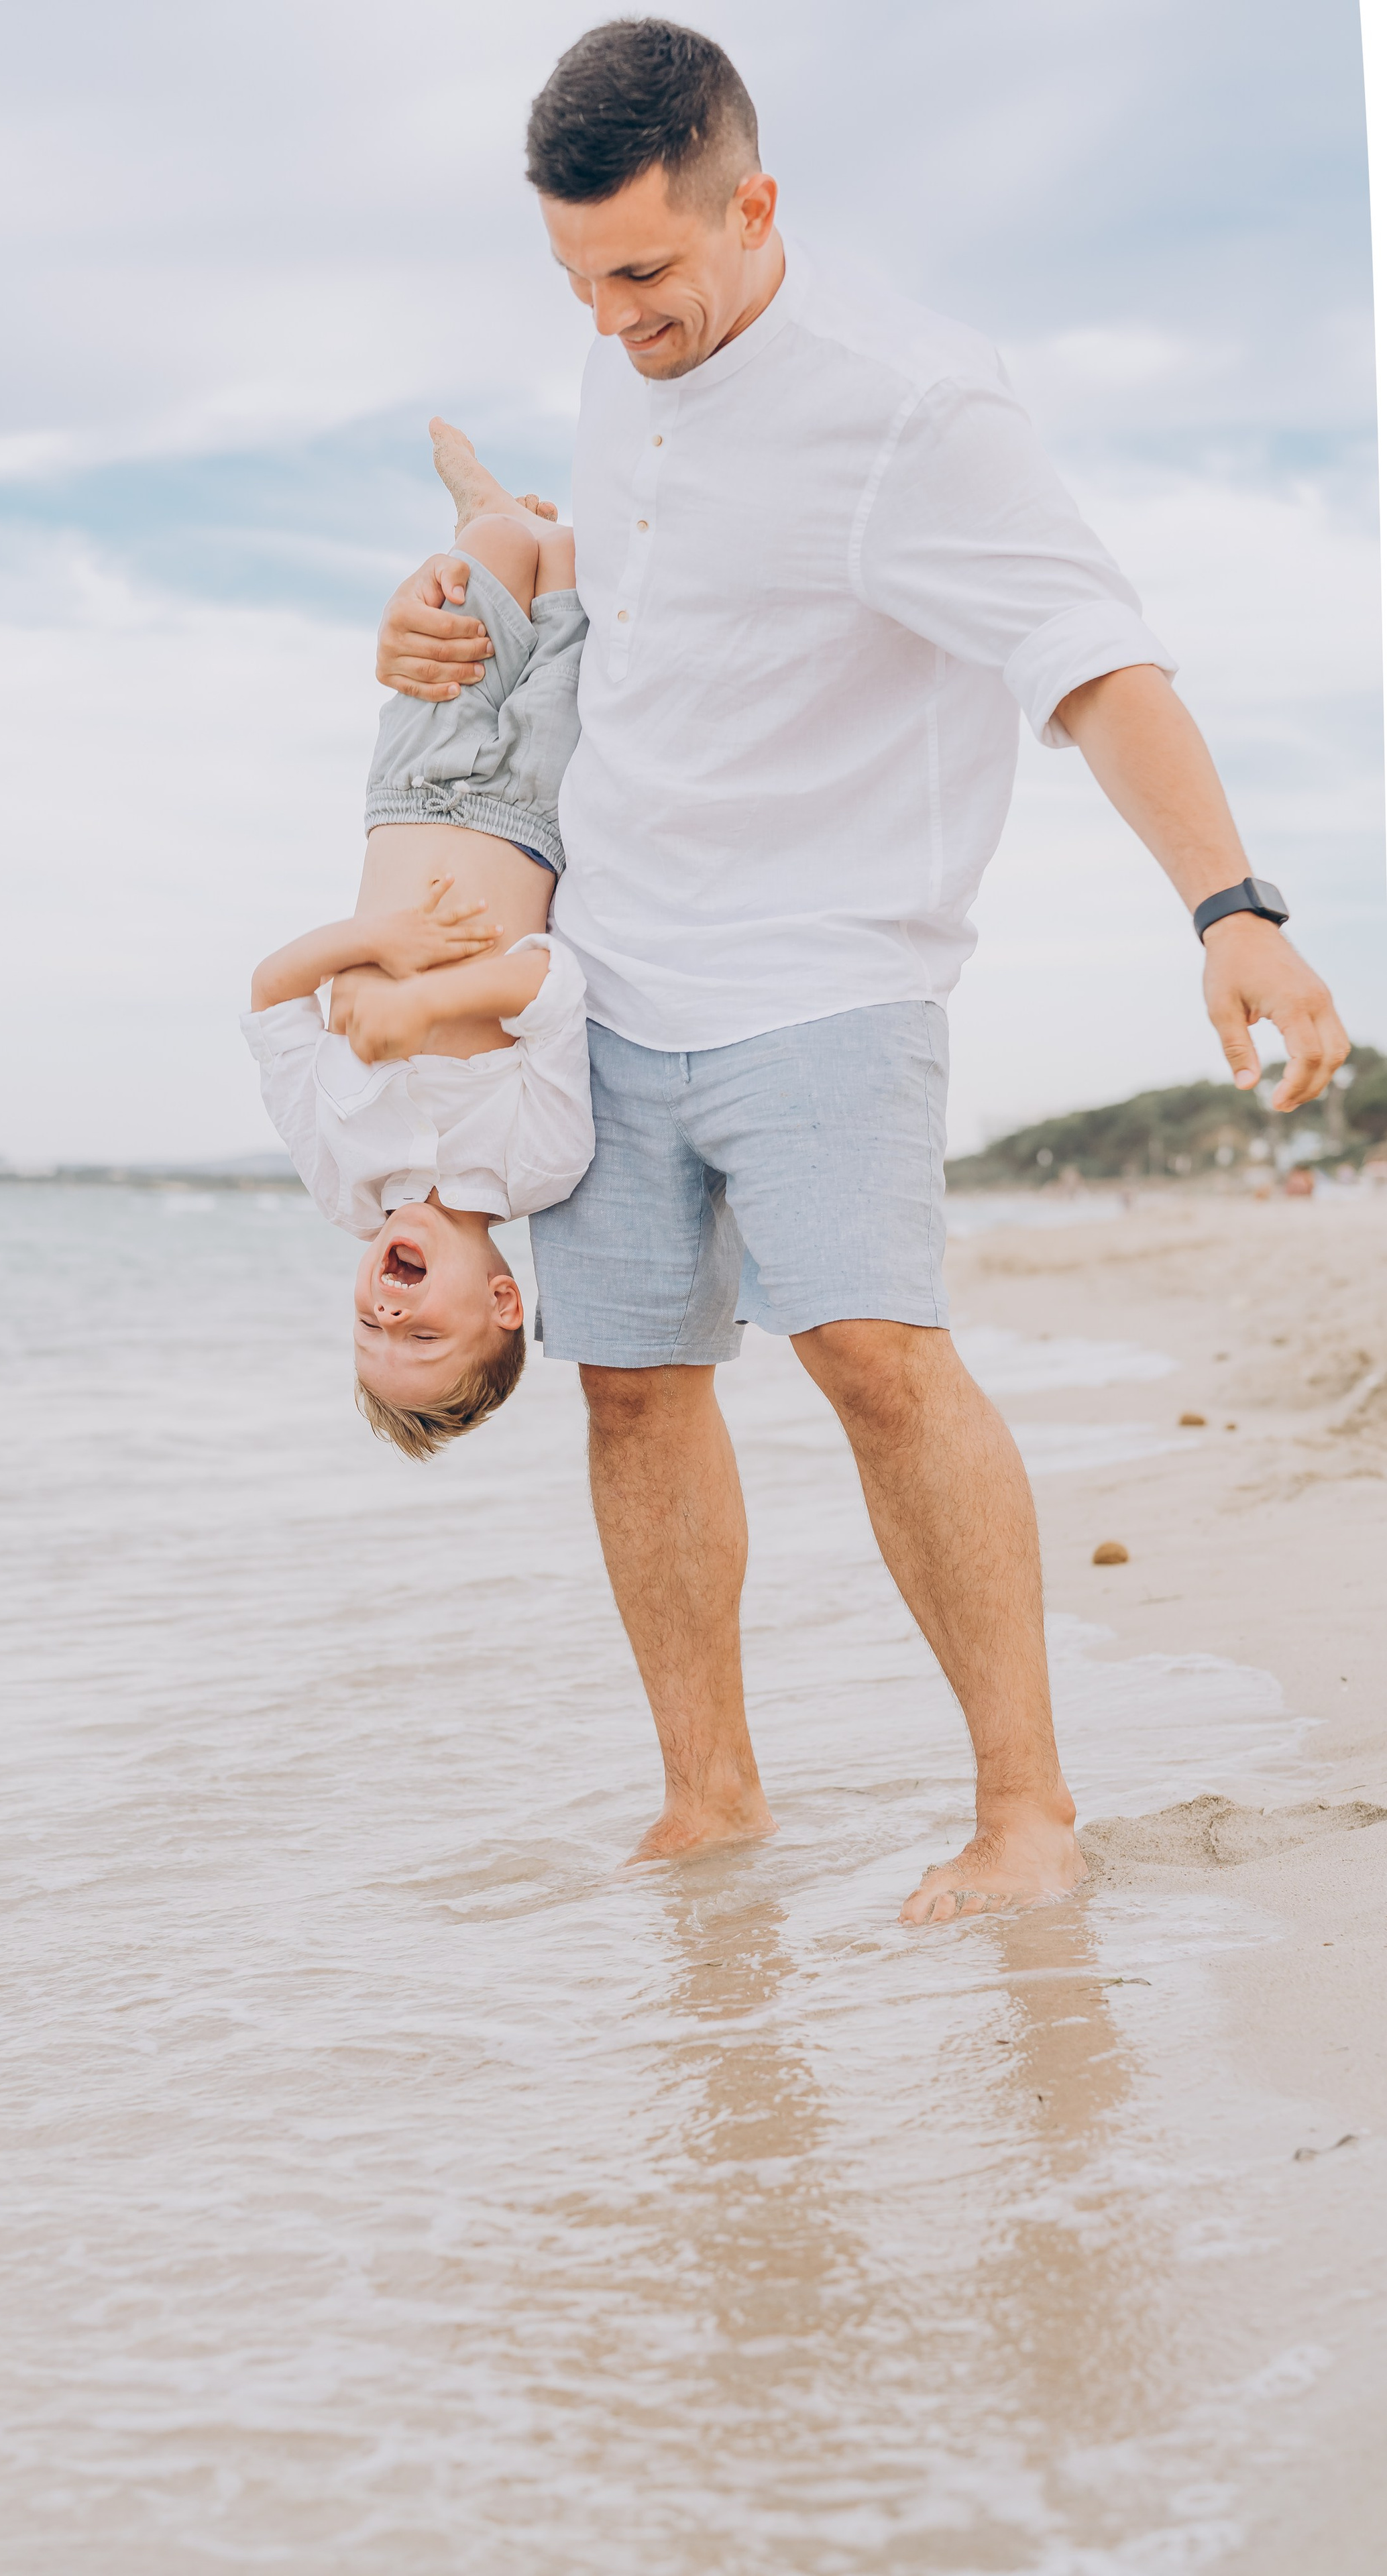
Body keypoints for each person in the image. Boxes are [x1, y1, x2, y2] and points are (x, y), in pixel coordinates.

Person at [374, 19, 1351, 1917]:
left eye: (647, 272)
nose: (615, 315)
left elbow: (1097, 659)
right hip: (616, 962)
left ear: (754, 205)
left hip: (832, 961)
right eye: (578, 281)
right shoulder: (619, 353)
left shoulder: (918, 402)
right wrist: (465, 597)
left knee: (876, 1359)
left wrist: (1233, 910)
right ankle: (710, 1797)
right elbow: (628, 580)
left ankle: (1026, 1818)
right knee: (634, 1383)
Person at [245, 484, 594, 1459]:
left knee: (485, 558)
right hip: (537, 809)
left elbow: (272, 992)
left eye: (369, 1331)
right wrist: (435, 998)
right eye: (425, 1332)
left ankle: (484, 514)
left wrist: (380, 940)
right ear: (502, 1299)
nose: (389, 1313)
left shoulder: (338, 1177)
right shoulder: (540, 1164)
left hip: (411, 789)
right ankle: (523, 519)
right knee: (567, 572)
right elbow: (553, 988)